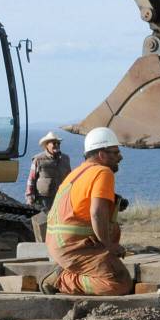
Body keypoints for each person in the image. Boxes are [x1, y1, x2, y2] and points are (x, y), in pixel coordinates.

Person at [40, 126, 133, 296]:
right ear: (101, 155)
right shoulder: (103, 172)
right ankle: (61, 280)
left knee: (116, 271)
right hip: (72, 247)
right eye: (115, 152)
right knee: (119, 282)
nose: (120, 157)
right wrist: (109, 245)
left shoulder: (78, 172)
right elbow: (97, 214)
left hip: (60, 243)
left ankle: (67, 271)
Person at [25, 131, 72, 211]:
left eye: (58, 143)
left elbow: (70, 178)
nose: (56, 145)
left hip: (61, 197)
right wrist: (29, 197)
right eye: (54, 143)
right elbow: (31, 179)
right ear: (47, 145)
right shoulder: (38, 159)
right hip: (43, 199)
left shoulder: (65, 159)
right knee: (44, 221)